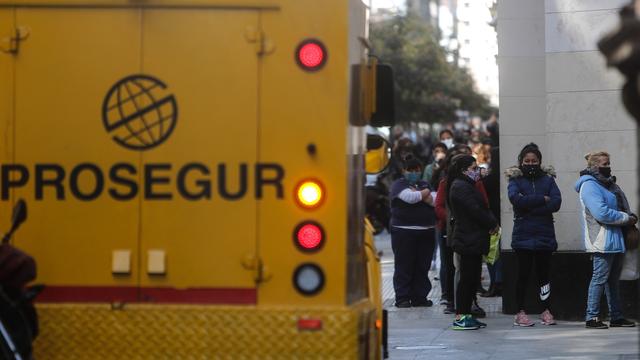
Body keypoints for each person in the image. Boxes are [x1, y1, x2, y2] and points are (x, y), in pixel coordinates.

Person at [575, 151, 637, 329]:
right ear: (594, 166)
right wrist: (626, 218)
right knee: (599, 278)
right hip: (601, 239)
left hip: (616, 238)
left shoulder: (609, 185)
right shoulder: (589, 185)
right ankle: (591, 317)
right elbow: (601, 213)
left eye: (609, 163)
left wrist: (629, 216)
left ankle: (616, 316)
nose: (608, 167)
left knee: (613, 280)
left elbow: (617, 206)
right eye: (604, 164)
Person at [506, 143, 561, 326]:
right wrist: (541, 200)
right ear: (521, 162)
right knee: (523, 275)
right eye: (527, 161)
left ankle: (546, 309)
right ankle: (520, 311)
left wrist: (529, 208)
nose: (530, 163)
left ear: (540, 162)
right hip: (523, 236)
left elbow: (556, 202)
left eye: (534, 161)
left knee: (544, 276)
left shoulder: (548, 180)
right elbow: (516, 199)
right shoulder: (515, 180)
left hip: (544, 235)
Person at [447, 154, 499, 330]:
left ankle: (467, 314)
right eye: (473, 168)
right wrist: (491, 223)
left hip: (473, 239)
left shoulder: (466, 185)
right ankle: (461, 315)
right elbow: (476, 210)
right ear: (464, 170)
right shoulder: (461, 187)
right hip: (467, 239)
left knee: (472, 279)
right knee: (467, 279)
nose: (477, 171)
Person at [389, 155, 437, 308]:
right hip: (404, 232)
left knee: (422, 266)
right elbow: (410, 197)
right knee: (404, 265)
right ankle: (402, 297)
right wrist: (425, 193)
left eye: (417, 170)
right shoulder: (398, 184)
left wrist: (423, 194)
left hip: (426, 231)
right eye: (410, 170)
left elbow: (434, 201)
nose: (414, 173)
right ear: (404, 171)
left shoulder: (424, 183)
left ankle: (419, 297)